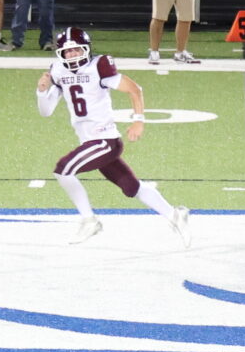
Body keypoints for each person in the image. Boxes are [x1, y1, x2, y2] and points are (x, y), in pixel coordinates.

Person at [37, 26, 188, 244]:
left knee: (63, 170)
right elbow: (46, 111)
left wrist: (139, 120)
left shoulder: (98, 66)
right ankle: (175, 215)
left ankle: (89, 220)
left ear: (86, 49)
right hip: (91, 142)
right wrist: (41, 92)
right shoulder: (59, 71)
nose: (73, 55)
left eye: (77, 50)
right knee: (131, 187)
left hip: (104, 141)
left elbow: (134, 89)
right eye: (68, 51)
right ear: (61, 54)